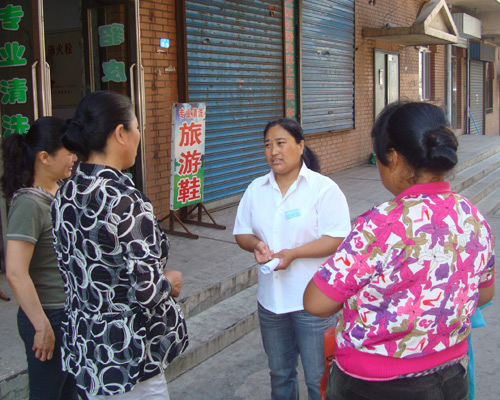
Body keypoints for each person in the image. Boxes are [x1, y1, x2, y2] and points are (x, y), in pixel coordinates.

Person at [304, 101, 495, 400]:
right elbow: (484, 293)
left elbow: (316, 302)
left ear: (391, 157)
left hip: (377, 384)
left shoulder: (381, 223)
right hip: (451, 374)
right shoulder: (472, 216)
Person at [51, 91, 188, 399]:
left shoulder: (65, 194)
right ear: (120, 134)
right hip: (128, 355)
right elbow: (147, 290)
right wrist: (170, 280)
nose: (140, 135)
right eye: (136, 127)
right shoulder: (123, 200)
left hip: (87, 352)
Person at [233, 118, 351, 400]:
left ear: (300, 146)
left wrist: (295, 253)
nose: (273, 151)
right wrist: (256, 244)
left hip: (313, 303)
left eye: (281, 143)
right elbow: (241, 233)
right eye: (267, 145)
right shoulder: (256, 189)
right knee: (281, 374)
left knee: (318, 377)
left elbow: (338, 238)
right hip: (271, 303)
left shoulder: (323, 189)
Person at [3, 117, 79, 400]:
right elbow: (15, 272)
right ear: (44, 157)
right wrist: (41, 325)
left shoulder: (58, 192)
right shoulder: (28, 204)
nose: (74, 158)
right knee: (47, 393)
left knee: (69, 393)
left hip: (67, 313)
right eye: (68, 152)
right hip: (48, 315)